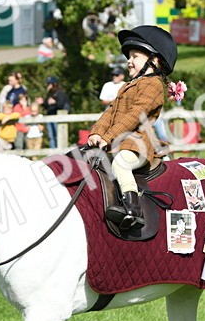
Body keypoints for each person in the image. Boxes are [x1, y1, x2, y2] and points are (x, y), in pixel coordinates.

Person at [85, 25, 176, 231]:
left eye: (135, 56)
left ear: (154, 61)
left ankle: (133, 210)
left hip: (138, 144)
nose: (129, 61)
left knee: (121, 165)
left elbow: (134, 115)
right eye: (129, 56)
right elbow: (110, 112)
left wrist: (108, 137)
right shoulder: (127, 86)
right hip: (119, 140)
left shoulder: (153, 86)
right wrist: (97, 132)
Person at [37, 75, 70, 149]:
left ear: (54, 84)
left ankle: (60, 153)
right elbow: (47, 105)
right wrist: (42, 102)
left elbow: (62, 104)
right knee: (51, 137)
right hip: (50, 117)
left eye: (49, 84)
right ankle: (53, 154)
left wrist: (55, 102)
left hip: (57, 118)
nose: (47, 86)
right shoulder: (49, 94)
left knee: (58, 136)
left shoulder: (60, 93)